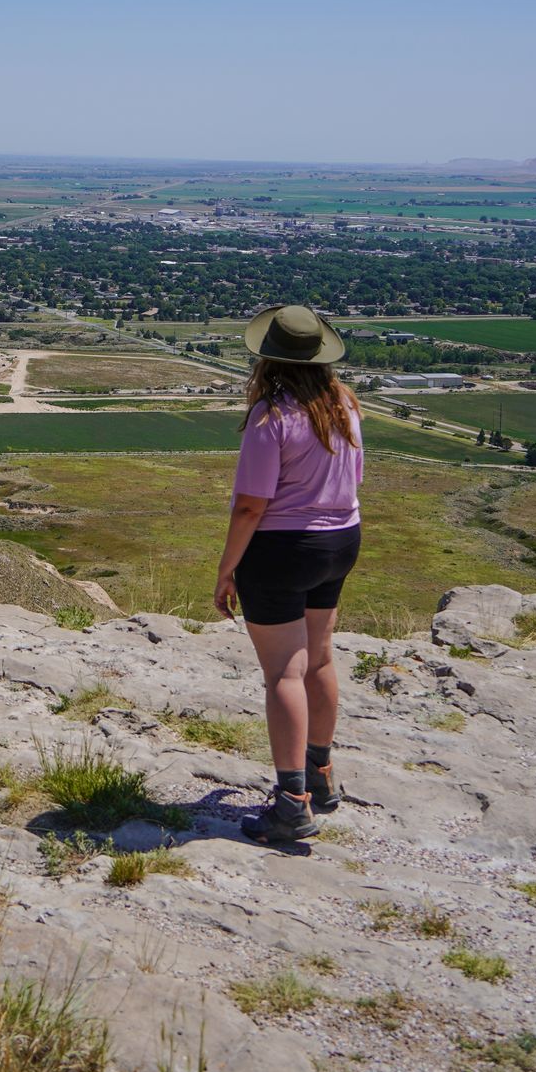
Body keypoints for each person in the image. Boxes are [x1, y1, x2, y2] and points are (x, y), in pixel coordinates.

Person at [212, 303, 363, 845]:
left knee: (284, 675)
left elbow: (251, 506)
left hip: (281, 549)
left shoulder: (271, 416)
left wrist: (227, 570)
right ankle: (321, 777)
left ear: (267, 359)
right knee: (320, 657)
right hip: (340, 539)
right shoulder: (344, 403)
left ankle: (291, 803)